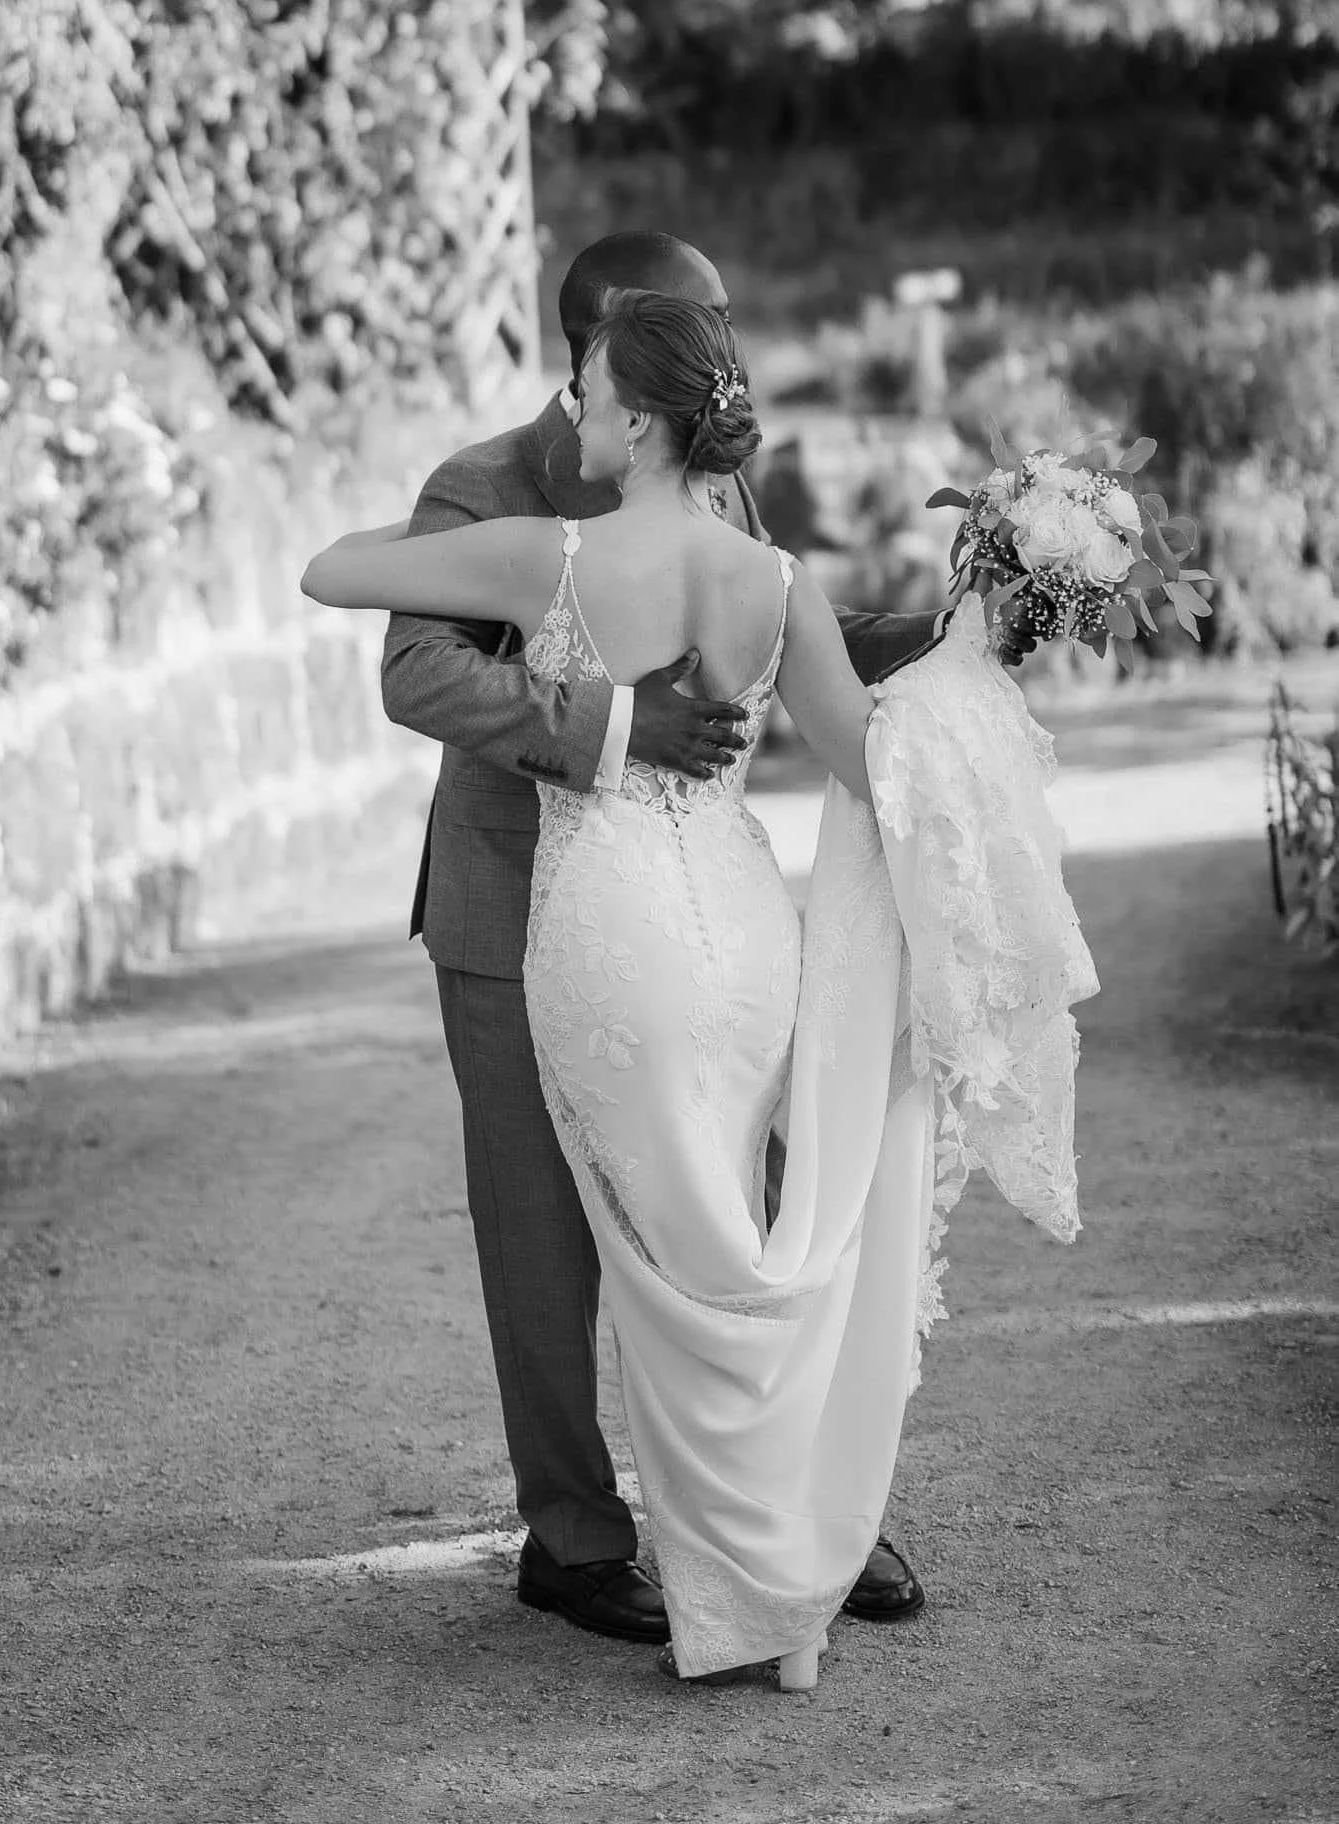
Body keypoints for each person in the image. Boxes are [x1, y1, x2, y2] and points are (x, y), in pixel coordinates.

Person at [304, 290, 1086, 1689]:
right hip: (742, 931)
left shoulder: (542, 551)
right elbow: (874, 765)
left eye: (595, 392)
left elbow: (331, 572)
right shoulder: (768, 576)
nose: (574, 412)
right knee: (747, 1241)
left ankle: (744, 1588)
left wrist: (522, 596)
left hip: (608, 936)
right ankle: (780, 1572)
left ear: (642, 413)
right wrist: (966, 674)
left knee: (668, 1267)